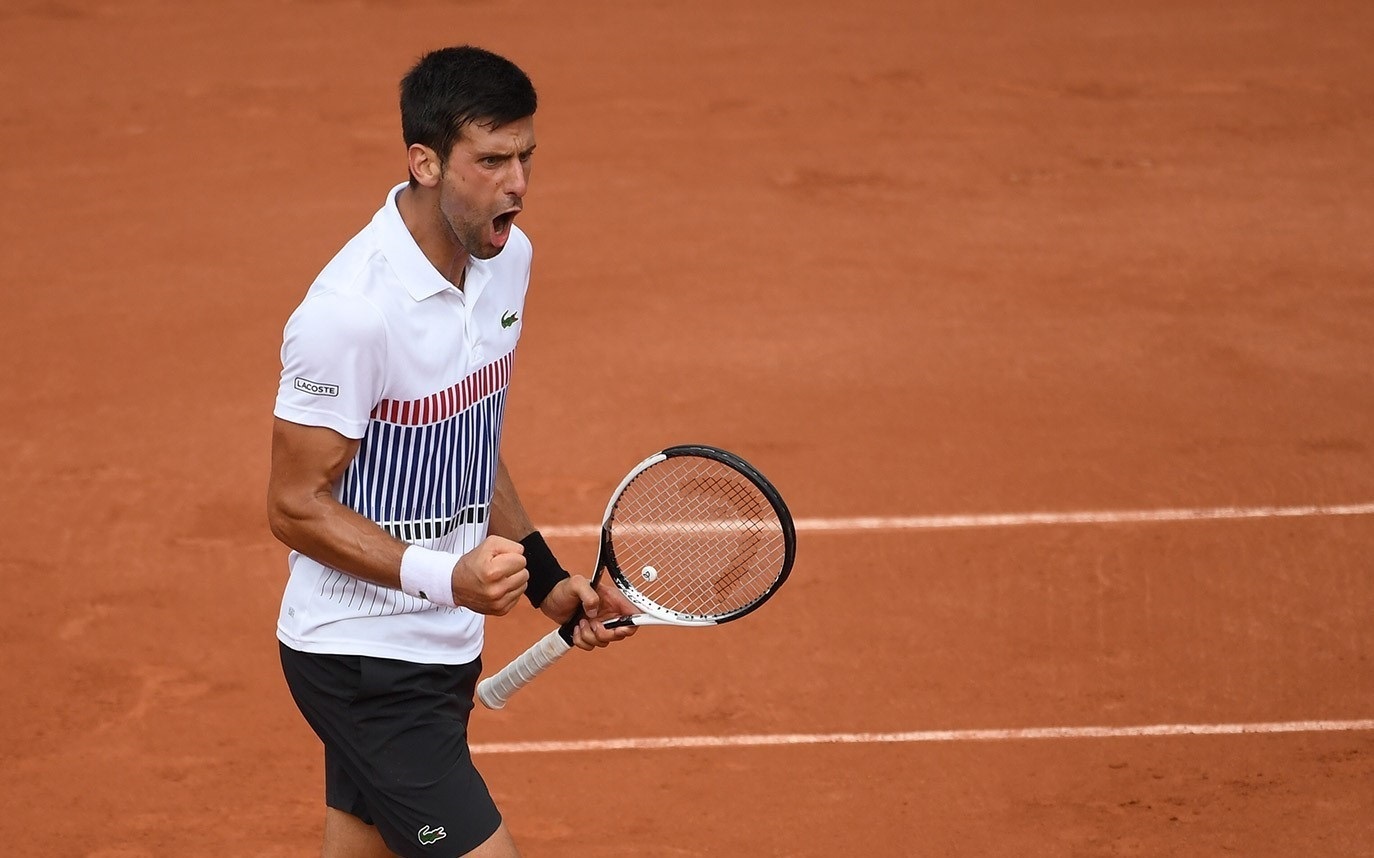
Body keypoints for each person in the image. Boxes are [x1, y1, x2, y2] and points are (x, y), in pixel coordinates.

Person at [266, 45, 636, 858]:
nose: (518, 184)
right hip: (361, 656)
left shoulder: (508, 265)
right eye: (492, 160)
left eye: (526, 157)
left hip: (439, 646)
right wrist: (448, 578)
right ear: (424, 162)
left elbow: (468, 440)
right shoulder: (351, 315)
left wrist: (544, 580)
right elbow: (294, 507)